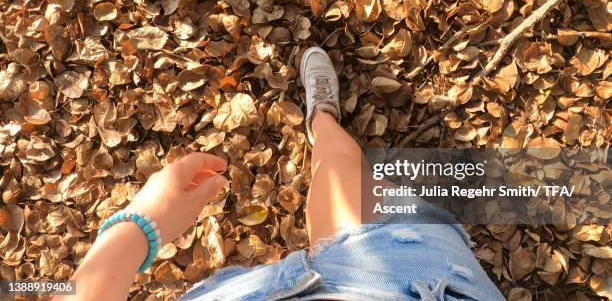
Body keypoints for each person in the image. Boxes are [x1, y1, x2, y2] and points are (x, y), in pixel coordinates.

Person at [59, 47, 504, 300]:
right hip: (413, 281)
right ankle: (322, 122)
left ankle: (321, 122)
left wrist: (134, 228)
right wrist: (135, 229)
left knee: (341, 181)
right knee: (343, 177)